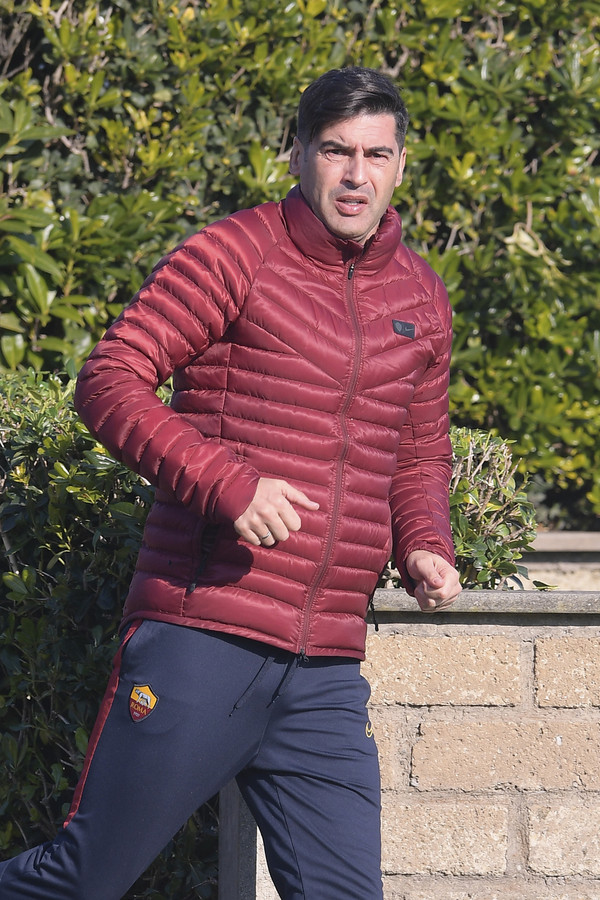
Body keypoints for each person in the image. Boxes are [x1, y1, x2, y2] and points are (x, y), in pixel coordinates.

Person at [0, 66, 461, 899]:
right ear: (299, 152)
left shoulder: (422, 297)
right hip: (203, 635)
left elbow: (420, 454)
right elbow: (109, 379)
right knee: (83, 880)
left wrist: (426, 542)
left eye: (376, 155)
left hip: (324, 669)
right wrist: (229, 485)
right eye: (336, 151)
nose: (356, 175)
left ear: (400, 165)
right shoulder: (234, 253)